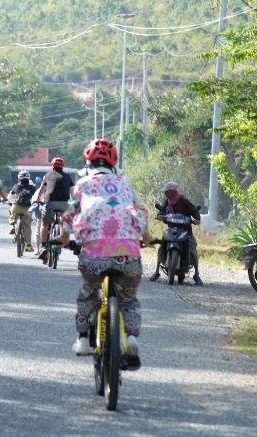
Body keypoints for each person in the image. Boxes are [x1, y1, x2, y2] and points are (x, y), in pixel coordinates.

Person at [60, 138, 150, 367]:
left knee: (88, 293)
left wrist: (64, 237)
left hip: (94, 256)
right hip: (128, 255)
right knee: (128, 299)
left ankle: (82, 339)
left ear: (88, 163)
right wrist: (147, 237)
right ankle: (131, 338)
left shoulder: (83, 184)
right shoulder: (125, 183)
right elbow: (140, 211)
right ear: (113, 163)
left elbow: (70, 214)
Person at [149, 181, 202, 285]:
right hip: (171, 230)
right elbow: (163, 211)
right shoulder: (167, 202)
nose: (165, 193)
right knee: (161, 247)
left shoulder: (184, 201)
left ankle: (196, 275)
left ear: (173, 192)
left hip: (185, 231)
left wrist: (197, 219)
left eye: (167, 191)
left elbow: (194, 210)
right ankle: (156, 272)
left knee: (193, 249)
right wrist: (160, 215)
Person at [35, 156, 74, 261]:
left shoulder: (48, 175)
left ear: (52, 166)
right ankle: (62, 234)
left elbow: (42, 189)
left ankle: (44, 246)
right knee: (65, 222)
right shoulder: (68, 177)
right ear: (63, 166)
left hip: (50, 203)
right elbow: (72, 192)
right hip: (64, 204)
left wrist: (37, 200)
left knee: (45, 224)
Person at [8, 170, 35, 252]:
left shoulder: (15, 186)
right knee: (27, 226)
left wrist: (7, 201)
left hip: (16, 207)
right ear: (28, 178)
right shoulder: (32, 188)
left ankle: (12, 225)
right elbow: (35, 197)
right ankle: (29, 245)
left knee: (11, 211)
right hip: (27, 209)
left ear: (19, 178)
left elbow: (10, 197)